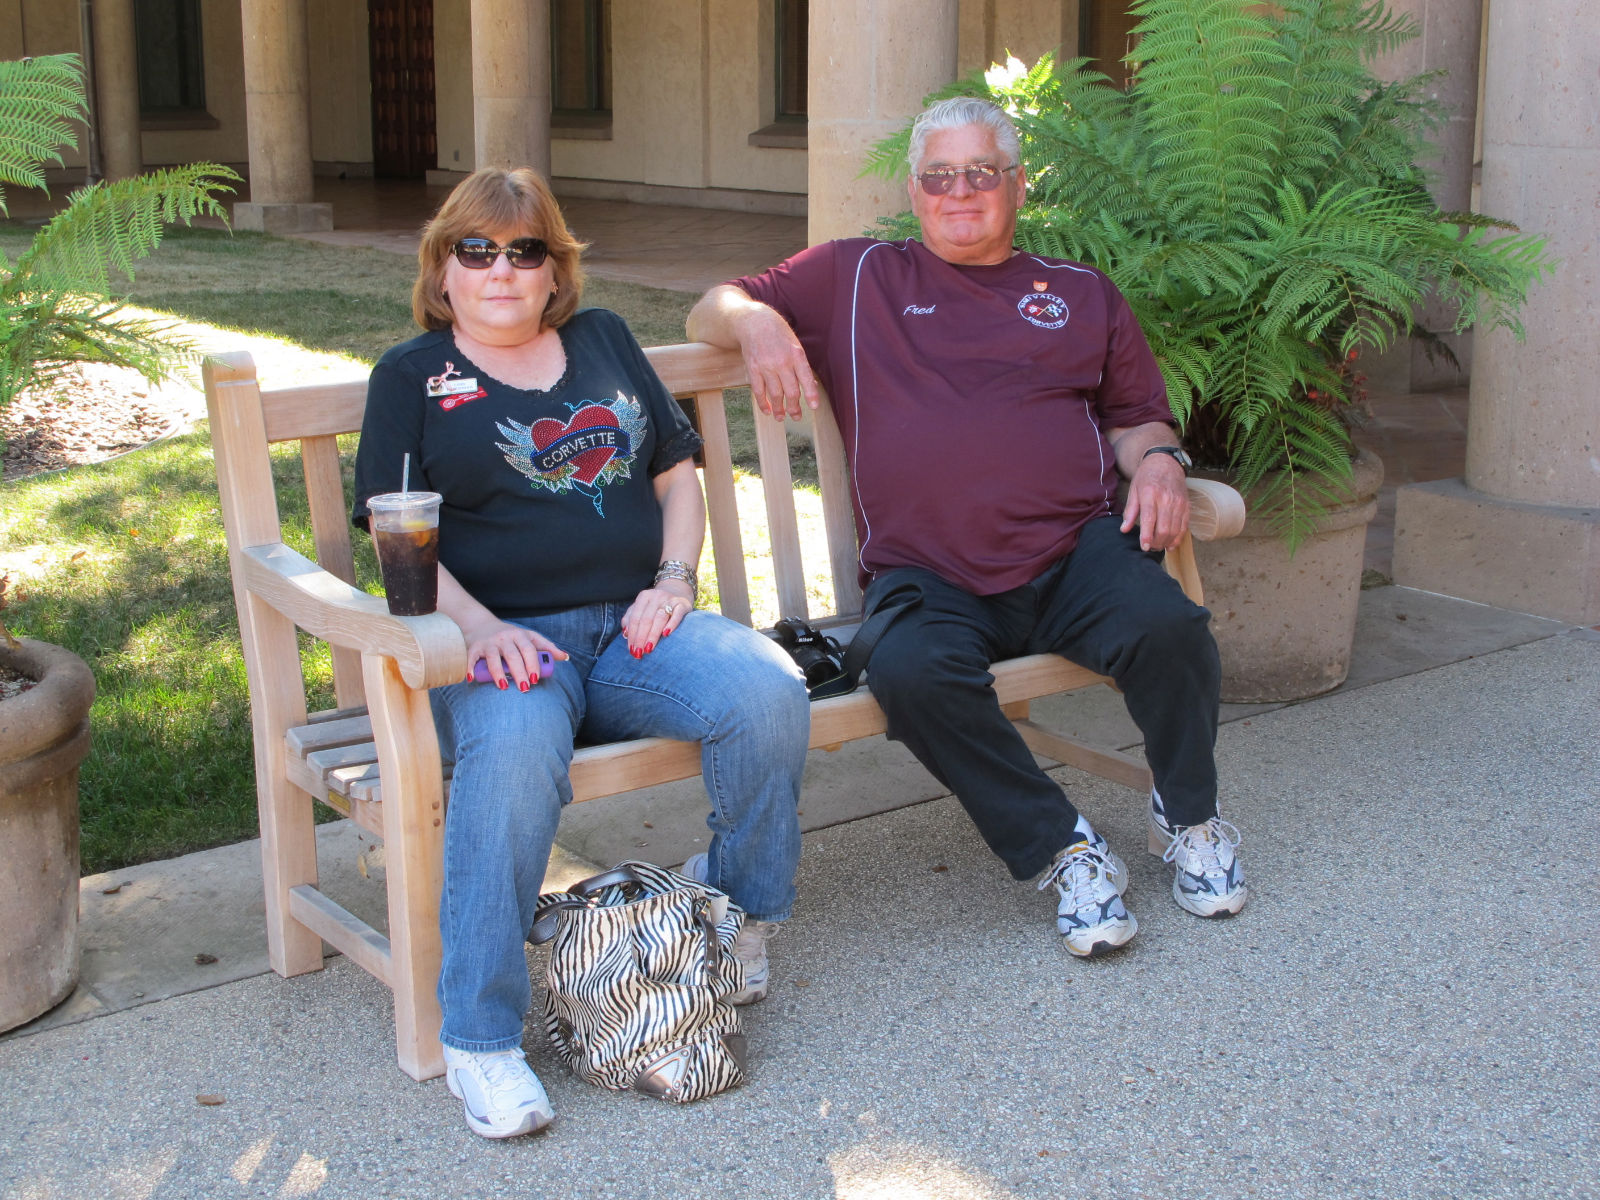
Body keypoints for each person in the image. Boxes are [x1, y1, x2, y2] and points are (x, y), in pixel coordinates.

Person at [686, 96, 1246, 961]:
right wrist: (757, 320)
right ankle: (1062, 849)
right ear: (913, 192)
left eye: (980, 172)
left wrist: (1164, 460)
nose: (959, 191)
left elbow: (1137, 415)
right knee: (910, 675)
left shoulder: (1080, 293)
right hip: (928, 571)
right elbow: (710, 306)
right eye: (938, 176)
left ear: (1017, 185)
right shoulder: (856, 276)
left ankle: (1191, 816)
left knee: (1170, 628)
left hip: (1073, 551)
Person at [353, 167, 809, 1139]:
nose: (502, 270)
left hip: (633, 628)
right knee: (514, 758)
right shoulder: (410, 378)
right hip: (501, 651)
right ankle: (481, 1038)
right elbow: (398, 539)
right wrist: (478, 629)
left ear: (556, 270)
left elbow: (677, 472)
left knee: (767, 689)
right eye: (477, 251)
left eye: (527, 251)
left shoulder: (602, 341)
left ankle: (735, 921)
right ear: (443, 269)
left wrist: (673, 581)